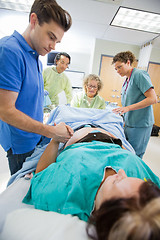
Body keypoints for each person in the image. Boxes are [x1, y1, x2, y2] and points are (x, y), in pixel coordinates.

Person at [23, 126, 160, 231]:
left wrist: (55, 139)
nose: (122, 172)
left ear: (104, 211)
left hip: (77, 132)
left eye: (118, 180)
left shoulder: (65, 190)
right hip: (113, 137)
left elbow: (41, 173)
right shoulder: (149, 197)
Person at [0, 0, 73, 175]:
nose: (53, 46)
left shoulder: (35, 58)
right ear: (34, 21)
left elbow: (28, 102)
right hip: (21, 144)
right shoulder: (10, 51)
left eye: (57, 42)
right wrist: (50, 131)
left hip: (35, 137)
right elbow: (5, 110)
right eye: (51, 36)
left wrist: (49, 127)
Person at [112, 51, 157, 159]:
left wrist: (127, 108)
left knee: (135, 155)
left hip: (140, 124)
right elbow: (130, 101)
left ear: (128, 62)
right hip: (130, 123)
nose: (118, 71)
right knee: (128, 152)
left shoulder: (139, 75)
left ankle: (135, 175)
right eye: (116, 69)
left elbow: (152, 99)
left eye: (119, 67)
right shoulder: (127, 80)